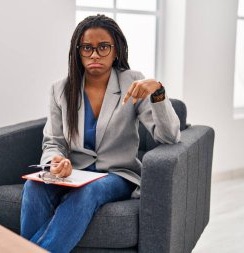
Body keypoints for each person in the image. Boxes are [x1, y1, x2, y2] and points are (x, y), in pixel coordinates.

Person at [20, 14, 181, 253]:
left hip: (117, 175)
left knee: (88, 191)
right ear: (78, 52)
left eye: (103, 47)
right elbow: (53, 141)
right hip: (73, 173)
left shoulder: (132, 82)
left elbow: (169, 137)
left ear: (116, 51)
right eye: (87, 48)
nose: (94, 54)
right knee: (34, 187)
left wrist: (158, 92)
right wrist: (54, 161)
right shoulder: (61, 89)